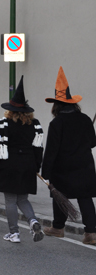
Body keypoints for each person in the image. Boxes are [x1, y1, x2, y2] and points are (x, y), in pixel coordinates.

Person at [42, 67, 96, 245]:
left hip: (63, 169)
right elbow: (93, 142)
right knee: (85, 199)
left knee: (60, 197)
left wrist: (46, 172)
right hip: (85, 167)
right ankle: (91, 233)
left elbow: (51, 150)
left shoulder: (57, 123)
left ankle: (58, 228)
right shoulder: (85, 119)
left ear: (56, 105)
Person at [0, 76, 44, 243]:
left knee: (11, 200)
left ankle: (14, 233)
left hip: (9, 164)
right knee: (23, 198)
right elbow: (38, 147)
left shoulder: (4, 123)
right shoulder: (35, 124)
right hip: (27, 164)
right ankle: (33, 221)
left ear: (10, 110)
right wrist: (36, 166)